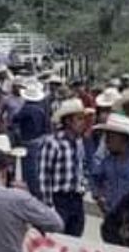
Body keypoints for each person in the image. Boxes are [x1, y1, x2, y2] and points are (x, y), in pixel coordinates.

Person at [39, 98, 91, 236]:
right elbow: (45, 176)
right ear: (68, 121)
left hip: (76, 198)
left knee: (75, 236)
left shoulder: (79, 143)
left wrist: (83, 185)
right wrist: (48, 205)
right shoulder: (53, 143)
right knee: (58, 237)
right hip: (59, 199)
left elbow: (82, 166)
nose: (83, 123)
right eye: (79, 119)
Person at [91, 114, 129, 217]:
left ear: (124, 138)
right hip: (112, 217)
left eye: (111, 137)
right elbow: (95, 179)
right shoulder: (107, 162)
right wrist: (99, 196)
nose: (106, 141)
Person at [11, 83, 52, 198]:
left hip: (29, 141)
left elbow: (14, 119)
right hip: (40, 140)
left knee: (30, 170)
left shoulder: (26, 109)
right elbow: (47, 126)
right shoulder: (40, 110)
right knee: (39, 167)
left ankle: (34, 192)